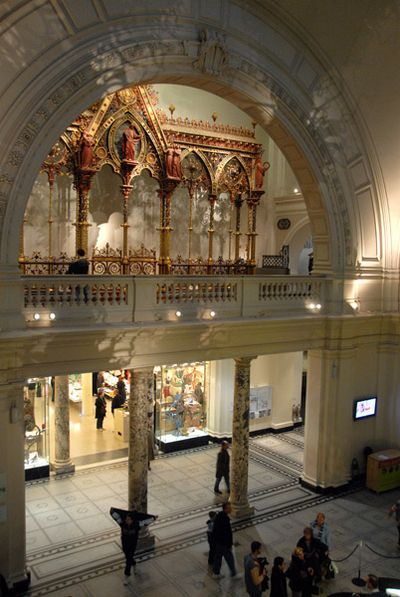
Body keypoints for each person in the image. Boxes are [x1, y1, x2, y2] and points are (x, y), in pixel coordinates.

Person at [110, 507, 157, 585]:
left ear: (132, 520)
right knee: (128, 557)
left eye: (129, 519)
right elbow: (114, 515)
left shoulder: (137, 525)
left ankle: (126, 577)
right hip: (124, 544)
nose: (127, 520)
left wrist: (153, 518)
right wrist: (112, 511)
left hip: (132, 544)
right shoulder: (122, 523)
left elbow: (146, 522)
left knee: (128, 560)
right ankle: (134, 564)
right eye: (126, 519)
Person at [211, 502, 241, 579]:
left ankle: (216, 573)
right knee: (229, 558)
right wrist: (229, 544)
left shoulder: (220, 515)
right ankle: (233, 574)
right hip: (223, 544)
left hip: (218, 542)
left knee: (218, 557)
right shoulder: (224, 518)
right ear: (226, 509)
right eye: (230, 508)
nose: (231, 509)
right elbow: (226, 533)